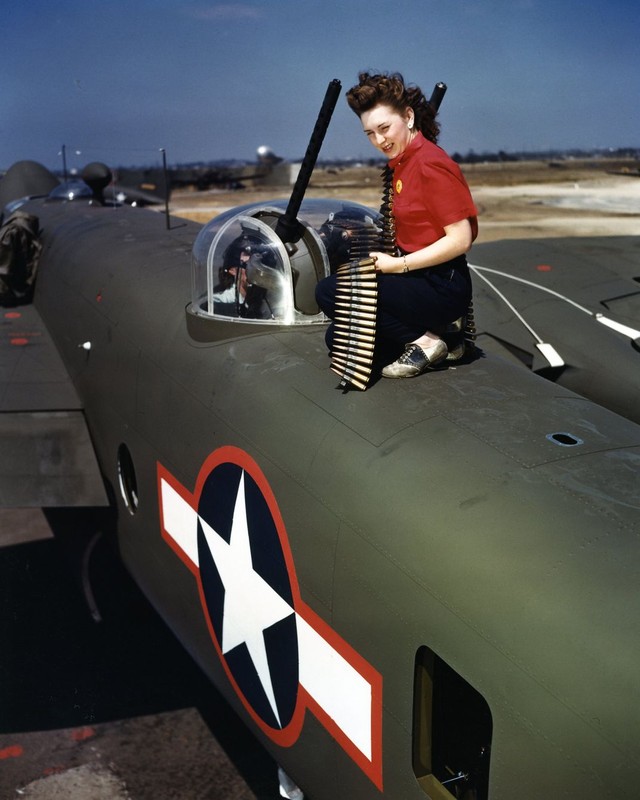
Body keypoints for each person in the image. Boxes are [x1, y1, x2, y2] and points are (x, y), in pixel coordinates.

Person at [315, 72, 478, 378]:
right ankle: (445, 338)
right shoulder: (404, 162)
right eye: (369, 134)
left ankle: (427, 342)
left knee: (329, 291)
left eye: (385, 128)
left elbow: (461, 239)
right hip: (418, 281)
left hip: (440, 285)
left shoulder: (430, 164)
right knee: (337, 337)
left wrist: (398, 265)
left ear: (408, 116)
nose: (379, 141)